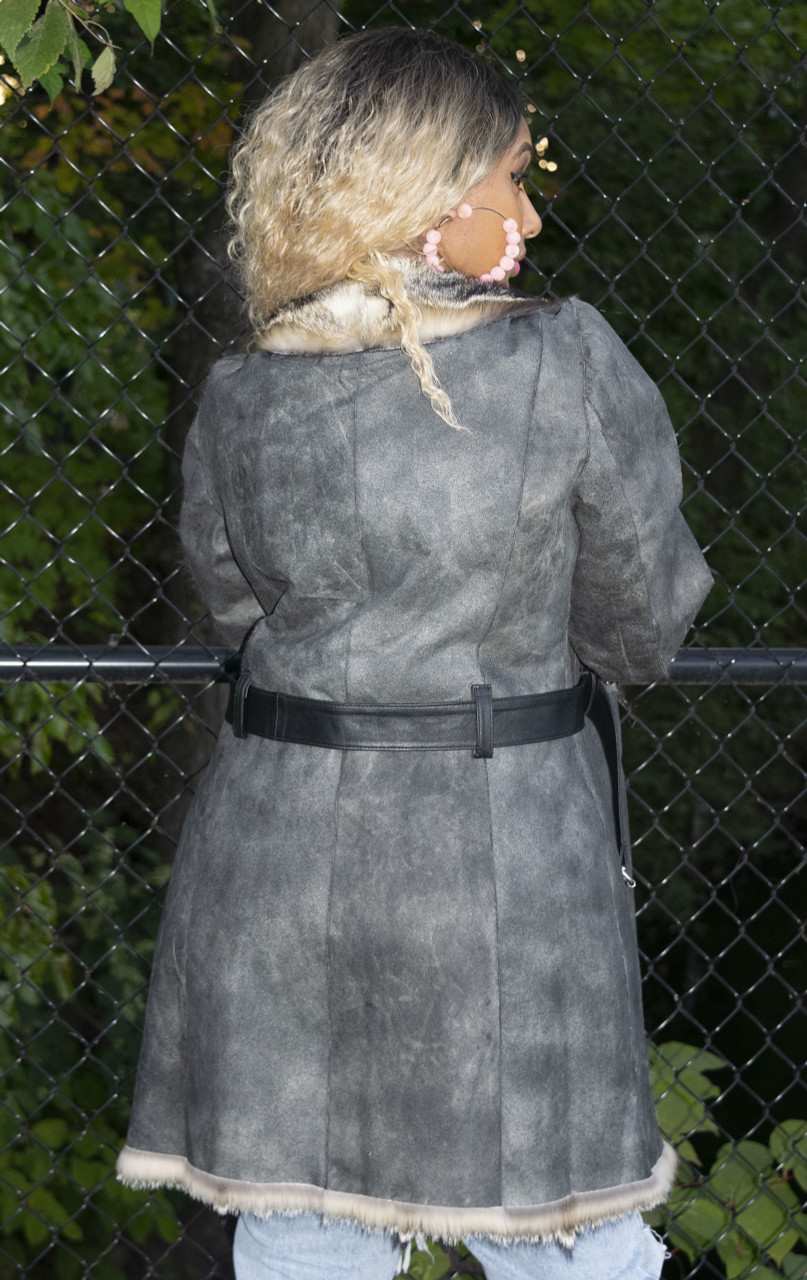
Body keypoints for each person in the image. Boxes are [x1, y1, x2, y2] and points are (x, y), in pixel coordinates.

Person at [115, 25, 713, 1280]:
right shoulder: (564, 361)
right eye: (512, 176)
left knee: (299, 1219)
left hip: (279, 862)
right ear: (432, 200)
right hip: (503, 867)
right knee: (575, 1234)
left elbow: (235, 609)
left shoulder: (239, 388)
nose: (533, 215)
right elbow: (640, 629)